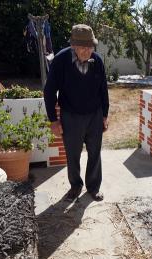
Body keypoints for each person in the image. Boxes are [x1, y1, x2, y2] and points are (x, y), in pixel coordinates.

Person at [44, 24, 109, 201]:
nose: (87, 51)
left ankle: (93, 187)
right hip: (70, 115)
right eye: (83, 47)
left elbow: (103, 89)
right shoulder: (61, 60)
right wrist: (53, 120)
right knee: (72, 153)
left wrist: (104, 115)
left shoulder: (98, 61)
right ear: (73, 45)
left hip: (94, 114)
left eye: (90, 46)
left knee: (95, 152)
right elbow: (49, 91)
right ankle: (75, 185)